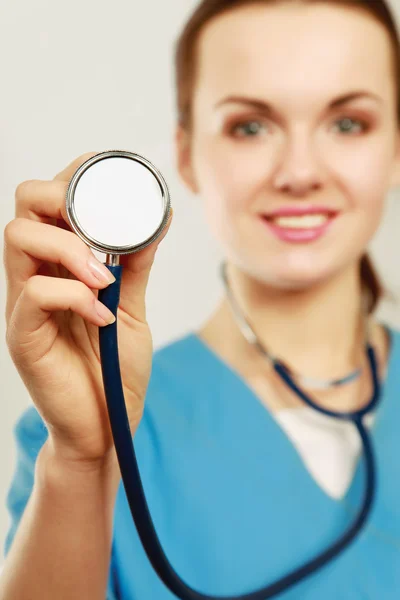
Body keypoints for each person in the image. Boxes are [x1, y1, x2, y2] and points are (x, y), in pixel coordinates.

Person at [1, 0, 400, 598]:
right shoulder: (90, 424)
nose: (299, 172)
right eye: (250, 126)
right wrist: (83, 462)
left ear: (397, 145)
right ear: (184, 155)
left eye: (347, 123)